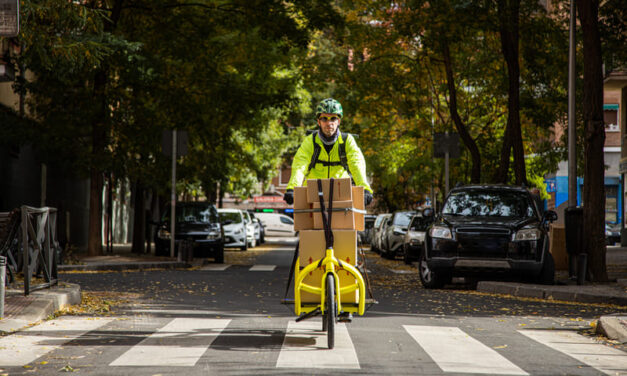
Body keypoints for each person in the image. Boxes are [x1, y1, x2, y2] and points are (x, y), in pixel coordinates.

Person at [283, 98, 373, 206]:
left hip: (340, 192)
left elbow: (357, 164)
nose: (329, 123)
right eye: (324, 119)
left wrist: (365, 189)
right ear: (318, 122)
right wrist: (292, 188)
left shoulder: (347, 140)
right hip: (314, 193)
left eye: (333, 118)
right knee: (308, 222)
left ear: (338, 121)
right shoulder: (310, 141)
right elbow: (300, 165)